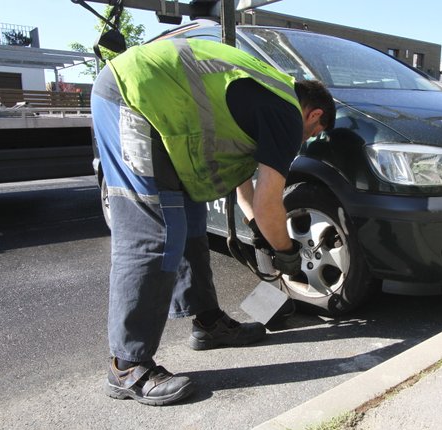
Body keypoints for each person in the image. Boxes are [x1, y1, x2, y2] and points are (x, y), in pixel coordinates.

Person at [90, 37, 335, 406]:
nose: (308, 140)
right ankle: (127, 365)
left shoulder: (263, 98)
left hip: (162, 112)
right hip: (130, 96)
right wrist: (286, 251)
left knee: (189, 221)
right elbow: (271, 201)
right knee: (156, 234)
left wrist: (258, 231)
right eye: (315, 133)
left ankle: (207, 323)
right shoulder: (285, 112)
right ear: (314, 114)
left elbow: (245, 189)